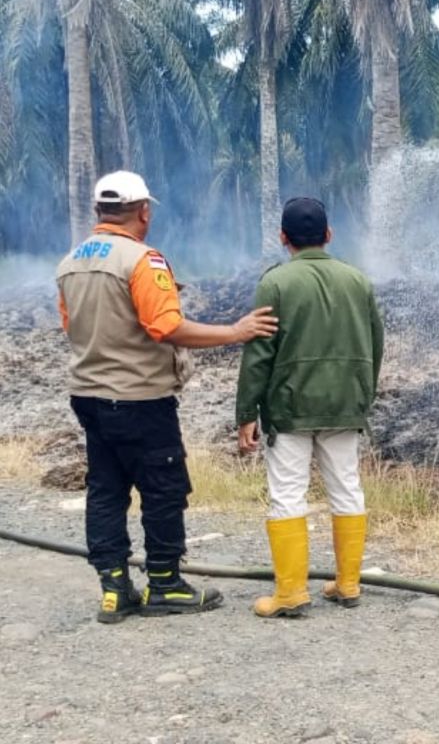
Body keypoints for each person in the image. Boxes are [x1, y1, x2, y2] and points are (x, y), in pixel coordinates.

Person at [56, 170, 278, 624]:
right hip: (139, 397)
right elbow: (166, 327)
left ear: (100, 211)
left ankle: (115, 590)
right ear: (143, 211)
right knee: (163, 487)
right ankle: (165, 584)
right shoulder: (143, 261)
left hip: (89, 396)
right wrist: (234, 332)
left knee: (105, 490)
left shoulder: (70, 263)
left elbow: (70, 325)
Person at [236, 197, 384, 619]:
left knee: (287, 494)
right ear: (329, 235)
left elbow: (259, 353)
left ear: (283, 238)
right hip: (344, 404)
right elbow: (376, 344)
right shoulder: (357, 281)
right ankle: (349, 584)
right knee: (347, 488)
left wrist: (246, 412)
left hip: (290, 407)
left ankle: (290, 593)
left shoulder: (276, 283)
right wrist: (361, 394)